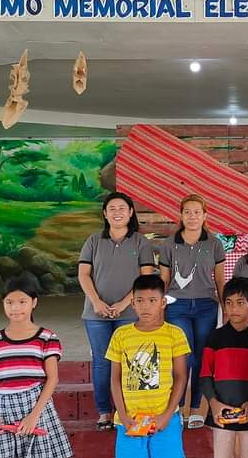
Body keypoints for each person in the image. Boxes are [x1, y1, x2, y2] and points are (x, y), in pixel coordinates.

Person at [78, 191, 157, 430]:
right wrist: (96, 302)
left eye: (122, 208)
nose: (117, 212)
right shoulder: (93, 240)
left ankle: (128, 410)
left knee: (131, 362)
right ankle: (104, 412)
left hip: (130, 314)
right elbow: (84, 274)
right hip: (96, 314)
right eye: (111, 208)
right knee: (102, 362)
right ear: (105, 213)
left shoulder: (140, 242)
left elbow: (146, 278)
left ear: (131, 212)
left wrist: (124, 303)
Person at [0, 275, 72, 458]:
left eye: (22, 302)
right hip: (2, 411)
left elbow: (52, 378)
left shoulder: (47, 337)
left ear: (34, 302)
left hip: (36, 409)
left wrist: (33, 416)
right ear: (3, 303)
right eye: (9, 302)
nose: (15, 308)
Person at [158, 194, 227, 429]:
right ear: (181, 215)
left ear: (205, 215)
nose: (192, 216)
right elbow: (164, 279)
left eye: (197, 212)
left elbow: (219, 279)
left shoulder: (214, 243)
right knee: (183, 355)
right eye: (187, 212)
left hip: (206, 305)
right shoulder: (169, 244)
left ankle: (196, 406)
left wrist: (226, 307)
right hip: (177, 305)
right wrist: (159, 306)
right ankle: (177, 407)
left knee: (201, 356)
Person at [106, 274, 191, 458]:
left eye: (152, 300)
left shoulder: (175, 334)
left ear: (163, 303)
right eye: (140, 301)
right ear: (132, 303)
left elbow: (181, 377)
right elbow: (114, 379)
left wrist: (166, 416)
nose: (145, 306)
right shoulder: (121, 335)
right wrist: (123, 416)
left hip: (165, 418)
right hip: (129, 420)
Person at [201, 277, 248, 458]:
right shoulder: (215, 337)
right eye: (229, 303)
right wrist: (213, 403)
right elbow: (205, 375)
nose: (233, 308)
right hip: (221, 411)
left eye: (240, 302)